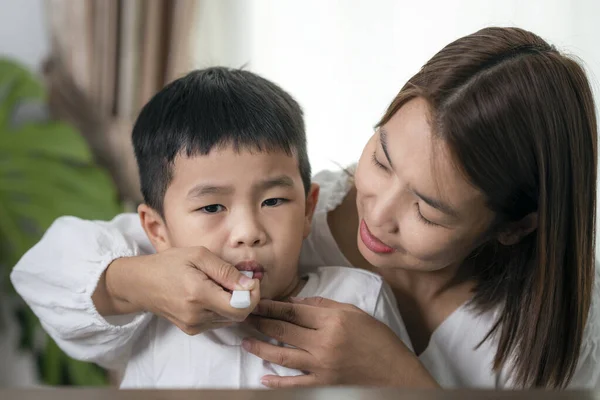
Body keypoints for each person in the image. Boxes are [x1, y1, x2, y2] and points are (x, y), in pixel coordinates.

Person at [11, 27, 600, 389]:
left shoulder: (567, 317)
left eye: (428, 208)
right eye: (382, 158)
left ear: (513, 227)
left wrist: (400, 379)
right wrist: (135, 282)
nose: (378, 210)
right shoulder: (256, 217)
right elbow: (51, 272)